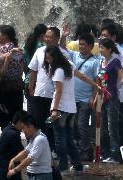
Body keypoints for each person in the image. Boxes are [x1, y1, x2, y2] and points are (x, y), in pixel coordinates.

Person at [27, 26, 70, 149]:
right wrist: (31, 87)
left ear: (57, 38)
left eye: (50, 37)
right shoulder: (39, 51)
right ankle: (38, 148)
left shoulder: (64, 54)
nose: (47, 39)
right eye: (46, 36)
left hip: (55, 96)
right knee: (39, 122)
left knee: (52, 124)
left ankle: (52, 149)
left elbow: (68, 75)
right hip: (39, 93)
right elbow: (33, 70)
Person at [44, 46, 83, 174]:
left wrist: (54, 109)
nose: (47, 60)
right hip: (71, 109)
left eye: (49, 58)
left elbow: (58, 92)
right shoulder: (69, 65)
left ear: (55, 57)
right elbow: (80, 76)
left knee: (59, 139)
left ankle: (63, 167)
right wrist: (95, 85)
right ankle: (78, 166)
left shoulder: (58, 71)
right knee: (68, 138)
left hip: (60, 109)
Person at [99, 22, 123, 152]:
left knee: (119, 125)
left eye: (106, 36)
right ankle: (106, 152)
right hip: (103, 95)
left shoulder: (120, 52)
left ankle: (121, 154)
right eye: (101, 36)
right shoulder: (101, 51)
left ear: (114, 37)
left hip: (118, 94)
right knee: (104, 125)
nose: (103, 38)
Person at [69, 33, 100, 161]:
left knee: (82, 125)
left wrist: (93, 97)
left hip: (85, 99)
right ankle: (77, 148)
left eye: (83, 45)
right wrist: (64, 36)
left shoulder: (95, 62)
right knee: (73, 125)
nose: (81, 47)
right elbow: (62, 49)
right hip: (72, 98)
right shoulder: (74, 55)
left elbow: (98, 82)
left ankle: (86, 150)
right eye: (79, 44)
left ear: (91, 46)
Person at [98, 38, 123, 163]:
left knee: (112, 127)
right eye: (99, 47)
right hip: (101, 98)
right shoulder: (100, 62)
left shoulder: (115, 61)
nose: (100, 50)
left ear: (109, 49)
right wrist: (95, 97)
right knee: (102, 127)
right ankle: (104, 153)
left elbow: (121, 76)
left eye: (102, 48)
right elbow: (98, 81)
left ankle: (115, 155)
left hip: (112, 97)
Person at [0, 25, 24, 130]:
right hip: (17, 85)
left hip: (5, 86)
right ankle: (15, 137)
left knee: (5, 114)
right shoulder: (18, 47)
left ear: (5, 36)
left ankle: (7, 137)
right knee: (16, 114)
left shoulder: (3, 48)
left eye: (0, 33)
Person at [7, 114, 52, 180]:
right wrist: (13, 160)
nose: (22, 131)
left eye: (23, 128)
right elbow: (26, 152)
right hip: (36, 175)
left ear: (30, 126)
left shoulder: (39, 139)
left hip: (41, 176)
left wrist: (14, 170)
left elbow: (30, 159)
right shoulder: (34, 138)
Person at [0, 110, 27, 180]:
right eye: (25, 124)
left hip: (1, 167)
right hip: (8, 170)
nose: (25, 127)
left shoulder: (7, 129)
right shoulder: (14, 135)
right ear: (19, 122)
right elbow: (22, 153)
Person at [23, 24, 47, 115]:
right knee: (39, 113)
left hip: (28, 79)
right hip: (37, 81)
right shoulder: (41, 48)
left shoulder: (27, 44)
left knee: (30, 112)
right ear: (42, 35)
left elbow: (24, 62)